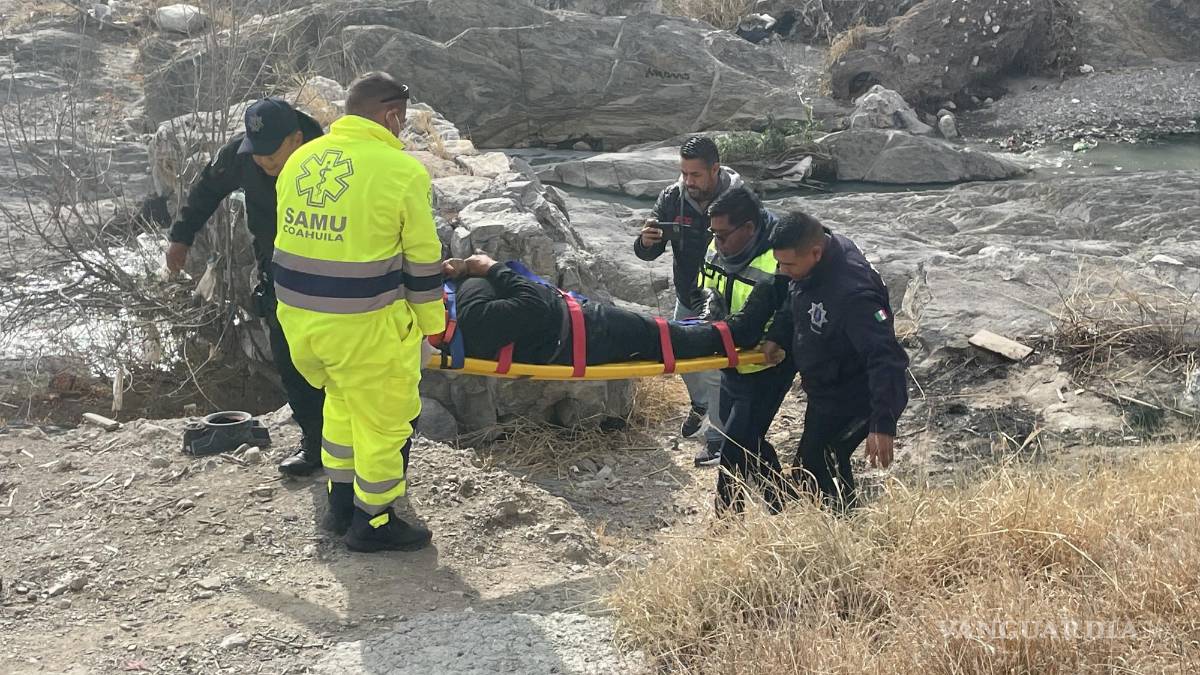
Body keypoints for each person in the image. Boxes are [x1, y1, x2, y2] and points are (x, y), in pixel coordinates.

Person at [273, 72, 445, 553]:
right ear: (391, 114)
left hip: (302, 322)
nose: (402, 128)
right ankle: (374, 522)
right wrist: (433, 327)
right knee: (385, 423)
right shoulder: (400, 171)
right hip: (364, 326)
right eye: (402, 120)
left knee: (343, 409)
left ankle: (340, 503)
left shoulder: (301, 159)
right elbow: (422, 260)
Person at [165, 98, 328, 478]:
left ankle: (355, 447)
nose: (263, 163)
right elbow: (206, 190)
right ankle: (315, 444)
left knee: (333, 364)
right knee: (289, 360)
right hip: (278, 273)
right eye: (259, 155)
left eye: (272, 156)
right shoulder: (242, 155)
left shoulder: (328, 156)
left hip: (331, 276)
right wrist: (181, 236)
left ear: (297, 139)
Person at [761, 211, 910, 511]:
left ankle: (848, 533)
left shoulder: (853, 294)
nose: (782, 270)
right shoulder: (811, 263)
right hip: (824, 390)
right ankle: (820, 518)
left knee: (826, 457)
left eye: (788, 264)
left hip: (857, 396)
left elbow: (886, 358)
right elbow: (797, 295)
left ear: (816, 253)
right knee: (807, 468)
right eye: (779, 262)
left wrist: (882, 423)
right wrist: (778, 333)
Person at [440, 254, 756, 366]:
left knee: (656, 331)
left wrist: (464, 270)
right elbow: (533, 305)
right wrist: (493, 269)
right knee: (656, 337)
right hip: (583, 333)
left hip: (572, 323)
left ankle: (705, 322)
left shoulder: (461, 309)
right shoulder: (472, 319)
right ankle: (735, 332)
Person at [634, 136, 743, 455]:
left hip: (726, 298)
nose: (688, 181)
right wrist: (647, 242)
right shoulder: (671, 198)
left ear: (714, 170)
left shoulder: (740, 199)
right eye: (684, 174)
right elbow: (646, 254)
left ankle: (720, 436)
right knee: (680, 355)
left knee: (715, 368)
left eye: (695, 175)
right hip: (689, 294)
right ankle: (700, 406)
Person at [693, 186, 796, 513]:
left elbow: (792, 309)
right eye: (714, 234)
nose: (716, 242)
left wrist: (774, 337)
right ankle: (782, 503)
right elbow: (705, 286)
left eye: (723, 235)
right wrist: (709, 310)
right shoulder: (718, 243)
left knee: (734, 447)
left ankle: (725, 525)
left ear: (749, 228)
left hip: (766, 366)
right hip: (731, 359)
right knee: (748, 439)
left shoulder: (779, 259)